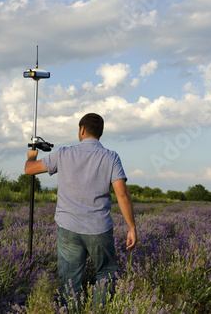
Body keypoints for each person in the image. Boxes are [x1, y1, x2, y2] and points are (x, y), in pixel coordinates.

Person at [24, 112, 137, 310]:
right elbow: (122, 194)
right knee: (105, 273)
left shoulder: (64, 153)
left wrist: (31, 157)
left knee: (69, 279)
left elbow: (30, 170)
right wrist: (131, 227)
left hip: (68, 228)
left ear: (82, 130)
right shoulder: (111, 157)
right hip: (99, 229)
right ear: (100, 133)